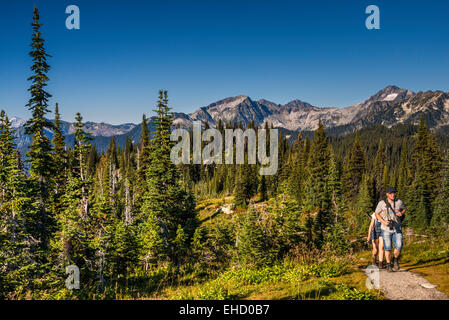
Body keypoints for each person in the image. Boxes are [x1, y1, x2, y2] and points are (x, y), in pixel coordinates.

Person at [374, 187, 406, 272]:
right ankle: (388, 265)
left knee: (399, 246)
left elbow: (404, 208)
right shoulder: (382, 203)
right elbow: (376, 213)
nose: (393, 194)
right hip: (386, 229)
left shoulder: (399, 202)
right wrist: (383, 221)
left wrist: (401, 213)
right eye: (391, 193)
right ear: (387, 194)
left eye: (394, 193)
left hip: (397, 228)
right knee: (387, 247)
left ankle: (395, 259)